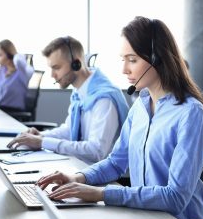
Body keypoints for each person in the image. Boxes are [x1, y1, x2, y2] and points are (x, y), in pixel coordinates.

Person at [37, 17, 203, 219]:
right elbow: (115, 162)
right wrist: (78, 178)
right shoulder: (140, 106)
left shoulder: (190, 113)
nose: (124, 69)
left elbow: (175, 197)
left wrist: (102, 194)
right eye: (123, 59)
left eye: (132, 60)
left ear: (156, 58)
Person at [8, 36, 129, 164]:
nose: (52, 75)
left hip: (105, 178)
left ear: (76, 64)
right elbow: (69, 130)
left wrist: (42, 142)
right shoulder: (80, 92)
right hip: (81, 168)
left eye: (56, 67)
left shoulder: (104, 99)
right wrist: (40, 136)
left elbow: (96, 151)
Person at [0, 39, 34, 111]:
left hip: (14, 113)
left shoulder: (22, 71)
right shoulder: (1, 70)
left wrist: (15, 56)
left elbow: (21, 62)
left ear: (9, 55)